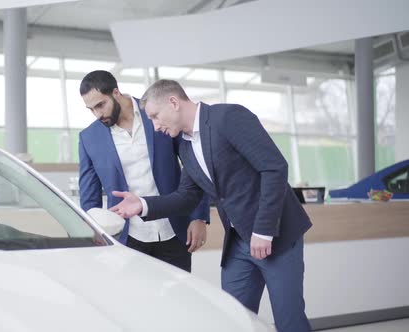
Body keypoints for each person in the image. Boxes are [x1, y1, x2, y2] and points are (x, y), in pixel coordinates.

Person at [109, 79, 313, 331]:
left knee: (289, 320)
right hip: (238, 243)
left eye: (154, 116)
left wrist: (264, 230)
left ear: (173, 102)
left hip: (276, 235)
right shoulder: (184, 145)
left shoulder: (228, 117)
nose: (154, 125)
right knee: (233, 319)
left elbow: (274, 168)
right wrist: (142, 205)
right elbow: (187, 195)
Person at [78, 71, 210, 272]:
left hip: (174, 228)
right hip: (127, 236)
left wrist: (199, 216)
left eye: (100, 105)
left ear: (116, 92)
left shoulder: (157, 112)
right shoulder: (89, 138)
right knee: (137, 300)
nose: (98, 114)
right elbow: (89, 196)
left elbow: (193, 165)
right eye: (91, 109)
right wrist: (94, 232)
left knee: (180, 300)